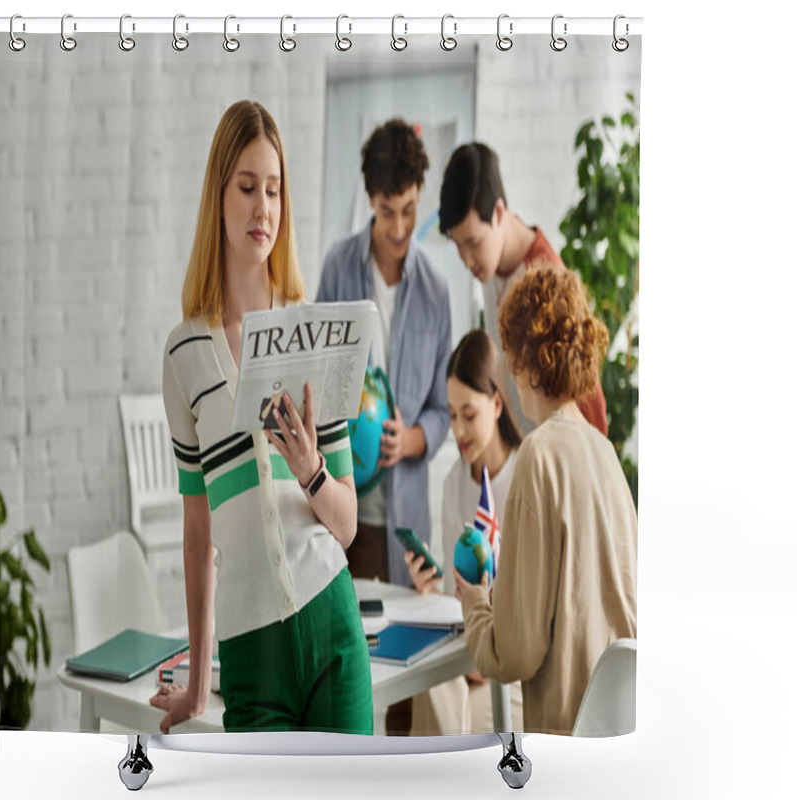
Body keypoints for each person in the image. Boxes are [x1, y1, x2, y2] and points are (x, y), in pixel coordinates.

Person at [149, 100, 372, 735]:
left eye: (273, 190)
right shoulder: (183, 353)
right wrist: (196, 687)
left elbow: (348, 524)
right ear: (218, 196)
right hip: (249, 655)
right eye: (247, 187)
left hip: (332, 625)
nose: (262, 208)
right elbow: (198, 534)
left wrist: (311, 471)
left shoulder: (314, 330)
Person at [455, 264, 637, 735]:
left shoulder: (538, 456)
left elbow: (516, 652)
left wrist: (475, 604)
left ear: (524, 361)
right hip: (619, 739)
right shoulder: (605, 453)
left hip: (564, 744)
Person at [316, 118, 451, 589]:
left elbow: (442, 407)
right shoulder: (338, 267)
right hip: (340, 512)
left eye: (410, 210)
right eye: (387, 211)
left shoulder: (436, 290)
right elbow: (317, 375)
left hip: (404, 524)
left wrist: (412, 439)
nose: (399, 227)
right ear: (370, 201)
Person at [438, 142, 608, 438]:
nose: (467, 260)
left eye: (473, 243)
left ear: (499, 213)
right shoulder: (490, 269)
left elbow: (590, 401)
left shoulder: (546, 281)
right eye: (458, 245)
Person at [405, 329, 523, 735]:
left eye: (468, 415)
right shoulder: (454, 483)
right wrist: (429, 591)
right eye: (452, 416)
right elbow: (457, 593)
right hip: (468, 650)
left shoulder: (527, 478)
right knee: (434, 684)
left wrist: (491, 657)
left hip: (513, 663)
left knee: (464, 716)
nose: (458, 431)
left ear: (496, 403)